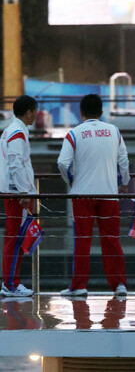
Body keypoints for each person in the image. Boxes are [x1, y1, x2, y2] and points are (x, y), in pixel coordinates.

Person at [57, 94, 130, 298]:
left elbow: (62, 163)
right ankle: (119, 285)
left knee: (82, 240)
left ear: (81, 113)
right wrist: (124, 184)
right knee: (111, 240)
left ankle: (79, 286)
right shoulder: (114, 132)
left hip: (82, 196)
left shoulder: (74, 134)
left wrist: (70, 179)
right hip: (109, 195)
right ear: (101, 112)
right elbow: (124, 161)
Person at [0, 96, 38, 297]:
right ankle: (11, 284)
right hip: (16, 194)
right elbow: (15, 163)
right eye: (35, 111)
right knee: (15, 238)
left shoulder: (11, 130)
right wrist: (23, 191)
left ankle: (11, 282)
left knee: (15, 237)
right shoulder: (17, 133)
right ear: (29, 112)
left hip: (14, 191)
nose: (36, 115)